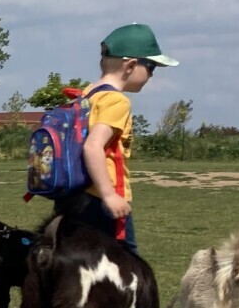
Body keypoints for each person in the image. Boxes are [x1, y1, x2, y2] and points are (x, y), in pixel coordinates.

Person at [59, 23, 177, 253]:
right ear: (131, 65)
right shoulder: (117, 101)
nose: (152, 75)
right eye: (151, 67)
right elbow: (93, 146)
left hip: (73, 196)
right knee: (129, 263)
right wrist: (109, 195)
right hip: (99, 202)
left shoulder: (87, 95)